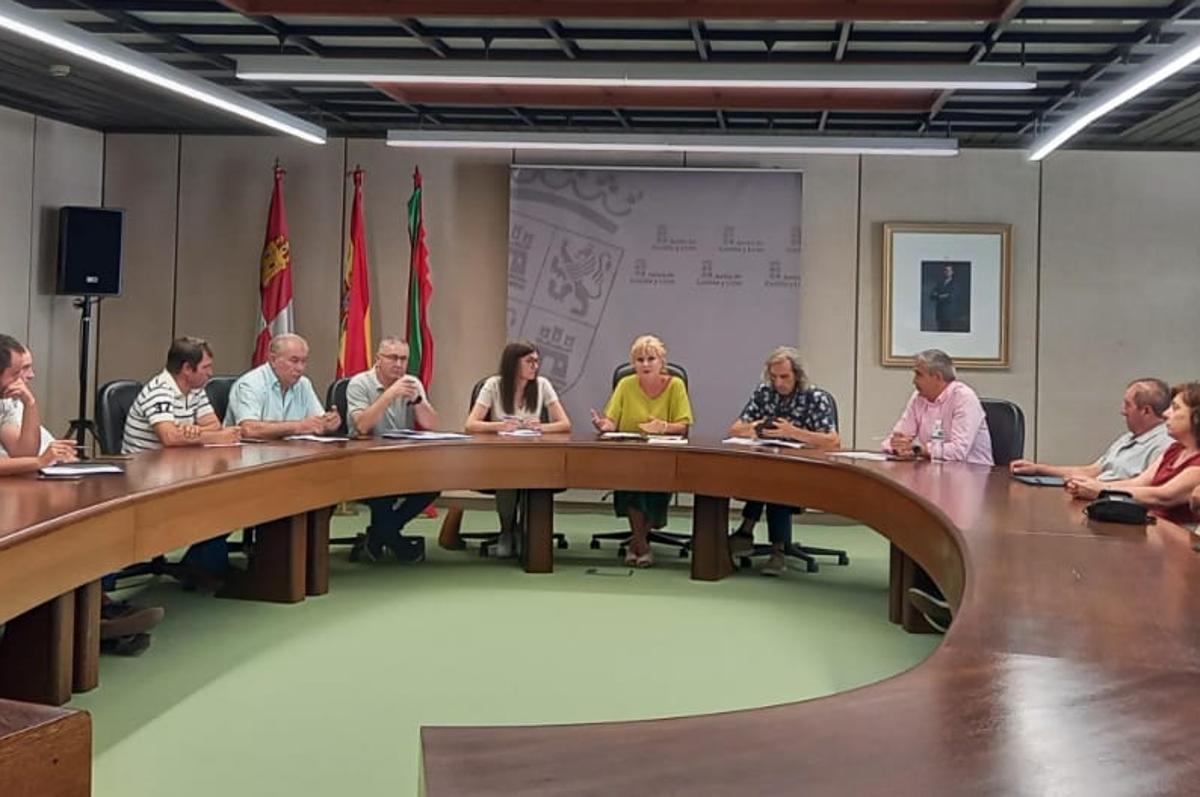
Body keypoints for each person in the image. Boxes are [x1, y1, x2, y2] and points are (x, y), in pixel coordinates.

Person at [0, 334, 163, 654]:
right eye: (18, 372)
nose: (26, 379)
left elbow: (22, 448)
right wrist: (39, 461)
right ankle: (87, 624)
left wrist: (29, 403)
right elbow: (29, 458)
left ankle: (92, 617)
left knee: (78, 519)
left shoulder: (6, 402)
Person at [726, 346, 840, 576]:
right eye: (774, 377)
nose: (778, 383)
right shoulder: (764, 393)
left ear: (797, 375)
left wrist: (792, 431)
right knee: (768, 474)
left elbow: (832, 441)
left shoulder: (814, 398)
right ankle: (751, 537)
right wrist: (756, 428)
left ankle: (768, 546)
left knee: (777, 480)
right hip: (767, 463)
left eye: (784, 377)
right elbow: (735, 429)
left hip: (804, 471)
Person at [590, 334, 693, 567]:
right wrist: (603, 424)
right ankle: (642, 544)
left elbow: (684, 425)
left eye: (650, 359)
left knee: (656, 487)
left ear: (661, 362)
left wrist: (664, 427)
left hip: (662, 456)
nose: (645, 364)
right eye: (639, 360)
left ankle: (636, 543)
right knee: (632, 486)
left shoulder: (675, 386)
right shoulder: (626, 384)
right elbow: (612, 422)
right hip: (630, 455)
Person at [463, 340, 572, 557]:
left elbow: (565, 424)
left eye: (537, 361)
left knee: (532, 479)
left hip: (535, 457)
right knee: (508, 476)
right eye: (529, 361)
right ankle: (506, 531)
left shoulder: (542, 385)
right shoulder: (494, 385)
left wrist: (542, 427)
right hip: (501, 458)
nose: (535, 366)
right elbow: (470, 424)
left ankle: (527, 533)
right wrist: (499, 426)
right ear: (514, 363)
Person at [346, 337, 441, 562]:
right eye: (393, 358)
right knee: (383, 489)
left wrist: (418, 400)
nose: (399, 364)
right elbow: (361, 426)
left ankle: (379, 536)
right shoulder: (360, 383)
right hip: (363, 462)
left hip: (401, 461)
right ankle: (394, 541)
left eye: (403, 359)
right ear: (378, 360)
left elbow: (431, 424)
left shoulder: (412, 383)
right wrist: (389, 395)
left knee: (432, 485)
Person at [1066, 382, 1200, 528]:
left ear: (1197, 417)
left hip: (1177, 540)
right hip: (1153, 530)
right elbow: (1139, 483)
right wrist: (1092, 485)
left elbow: (1162, 497)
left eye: (1175, 408)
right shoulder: (1175, 449)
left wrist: (1100, 491)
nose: (1166, 414)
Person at [1010, 378, 1171, 482]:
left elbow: (1147, 488)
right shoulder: (1128, 438)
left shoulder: (1165, 445)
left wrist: (1095, 488)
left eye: (1127, 405)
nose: (1122, 411)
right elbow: (1092, 471)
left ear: (1146, 411)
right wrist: (1039, 469)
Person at [122, 336, 242, 453]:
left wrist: (195, 431)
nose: (210, 373)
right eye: (205, 367)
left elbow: (214, 425)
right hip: (143, 467)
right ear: (187, 368)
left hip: (176, 463)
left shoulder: (196, 389)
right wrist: (217, 438)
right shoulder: (159, 390)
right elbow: (169, 437)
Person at [883, 349, 993, 466]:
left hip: (973, 474)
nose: (914, 381)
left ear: (937, 377)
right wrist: (896, 445)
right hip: (934, 471)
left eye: (919, 374)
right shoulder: (919, 397)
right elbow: (897, 437)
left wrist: (918, 450)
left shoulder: (964, 398)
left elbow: (958, 451)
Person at [224, 333, 340, 439]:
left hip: (290, 453)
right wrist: (299, 426)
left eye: (304, 361)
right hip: (250, 457)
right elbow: (249, 430)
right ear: (273, 360)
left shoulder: (303, 384)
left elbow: (316, 423)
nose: (300, 368)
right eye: (294, 361)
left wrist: (328, 423)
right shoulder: (250, 384)